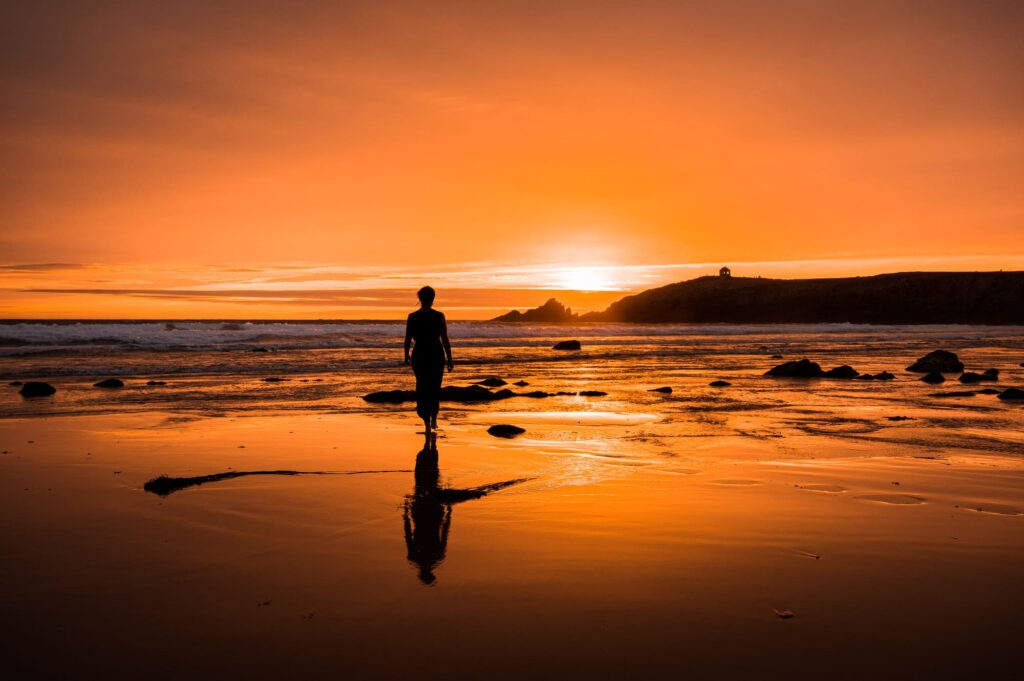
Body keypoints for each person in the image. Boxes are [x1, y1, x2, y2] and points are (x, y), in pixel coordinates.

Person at [404, 286, 453, 434]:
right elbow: (444, 338)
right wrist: (450, 357)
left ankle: (426, 422)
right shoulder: (439, 316)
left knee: (422, 388)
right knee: (435, 387)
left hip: (419, 355)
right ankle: (434, 418)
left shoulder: (412, 317)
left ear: (420, 299)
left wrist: (406, 354)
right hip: (435, 354)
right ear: (433, 298)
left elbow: (408, 338)